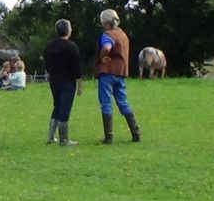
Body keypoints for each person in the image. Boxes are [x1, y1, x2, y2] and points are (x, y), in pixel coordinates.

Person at [94, 9, 141, 144]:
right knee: (123, 102)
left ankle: (108, 137)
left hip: (107, 73)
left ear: (104, 22)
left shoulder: (107, 35)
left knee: (106, 104)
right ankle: (136, 133)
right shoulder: (123, 35)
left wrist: (102, 57)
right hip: (121, 73)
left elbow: (107, 47)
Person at [43, 19, 83, 146]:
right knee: (65, 108)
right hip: (67, 82)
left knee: (57, 106)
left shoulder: (49, 47)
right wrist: (80, 85)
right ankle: (64, 139)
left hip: (54, 82)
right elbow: (76, 68)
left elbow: (47, 66)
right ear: (67, 30)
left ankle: (50, 136)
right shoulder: (71, 47)